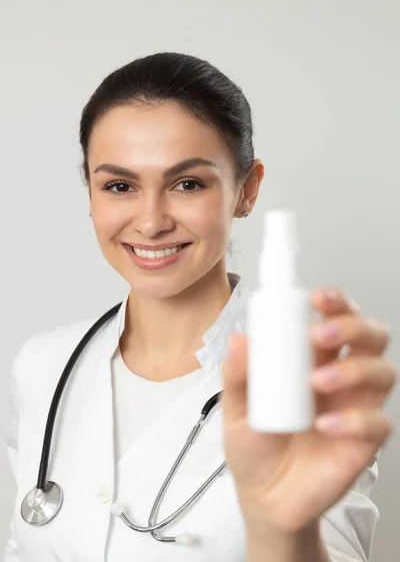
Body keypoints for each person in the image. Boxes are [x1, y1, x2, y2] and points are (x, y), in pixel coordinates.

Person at [4, 52, 397, 562]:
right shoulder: (43, 367)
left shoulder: (305, 382)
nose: (150, 222)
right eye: (119, 186)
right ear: (91, 192)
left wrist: (287, 532)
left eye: (187, 184)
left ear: (246, 190)